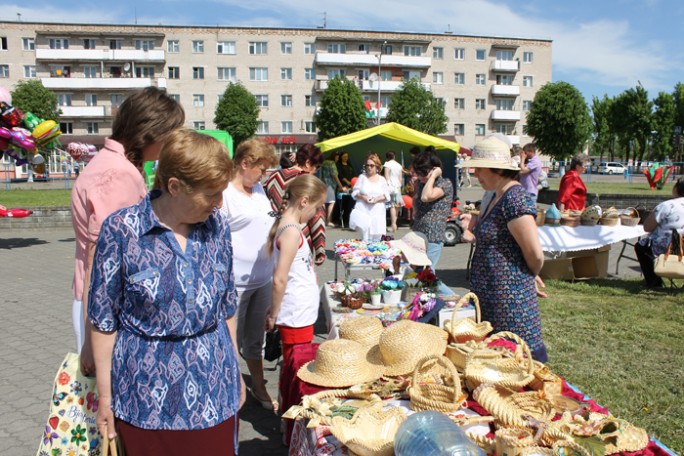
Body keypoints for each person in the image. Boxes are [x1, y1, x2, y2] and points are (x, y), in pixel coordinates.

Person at [89, 129, 244, 455]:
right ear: (174, 187)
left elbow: (226, 306)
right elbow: (103, 321)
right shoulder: (122, 230)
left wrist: (235, 372)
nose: (219, 204)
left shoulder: (216, 226)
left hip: (213, 389)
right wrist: (106, 398)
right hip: (146, 399)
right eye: (211, 194)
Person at [71, 86, 184, 374]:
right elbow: (102, 259)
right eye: (169, 134)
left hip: (104, 311)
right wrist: (91, 340)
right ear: (151, 131)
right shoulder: (119, 174)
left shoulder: (114, 164)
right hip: (107, 314)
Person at [459, 136, 548, 362]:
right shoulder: (497, 196)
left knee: (515, 363)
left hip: (509, 302)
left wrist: (528, 276)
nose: (474, 174)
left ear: (496, 169)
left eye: (478, 169)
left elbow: (535, 254)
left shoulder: (514, 199)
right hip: (494, 297)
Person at [221, 137, 279, 411]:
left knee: (256, 339)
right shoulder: (225, 194)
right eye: (261, 169)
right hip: (236, 284)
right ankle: (229, 391)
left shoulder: (257, 189)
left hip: (263, 279)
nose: (264, 175)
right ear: (245, 163)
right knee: (229, 342)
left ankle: (258, 385)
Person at [264, 174, 327, 408]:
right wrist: (273, 314)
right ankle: (291, 416)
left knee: (293, 367)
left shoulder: (290, 227)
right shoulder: (290, 232)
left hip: (299, 313)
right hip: (295, 315)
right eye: (316, 207)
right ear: (303, 201)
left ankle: (288, 413)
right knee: (296, 370)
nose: (316, 213)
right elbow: (279, 279)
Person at [265, 144, 326, 264]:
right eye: (316, 167)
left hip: (273, 237)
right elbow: (317, 216)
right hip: (299, 240)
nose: (315, 171)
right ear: (308, 163)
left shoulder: (274, 177)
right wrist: (320, 249)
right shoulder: (308, 183)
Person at [634, 177, 684, 288]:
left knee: (641, 246)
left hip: (666, 248)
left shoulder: (667, 206)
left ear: (675, 189)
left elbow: (647, 227)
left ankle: (654, 282)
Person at [410, 148, 453, 274]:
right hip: (419, 232)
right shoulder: (422, 184)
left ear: (435, 169)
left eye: (424, 172)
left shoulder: (445, 184)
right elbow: (416, 200)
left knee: (426, 273)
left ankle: (448, 294)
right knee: (418, 272)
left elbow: (425, 197)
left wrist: (433, 176)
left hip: (433, 235)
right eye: (418, 173)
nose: (420, 176)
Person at [349, 153, 390, 241]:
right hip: (364, 211)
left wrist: (376, 199)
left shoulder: (382, 180)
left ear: (377, 167)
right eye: (367, 165)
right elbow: (354, 193)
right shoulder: (362, 177)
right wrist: (363, 197)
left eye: (372, 165)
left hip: (378, 212)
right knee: (365, 238)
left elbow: (387, 196)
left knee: (376, 239)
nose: (369, 167)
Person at [320, 151, 347, 226]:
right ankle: (328, 221)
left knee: (324, 203)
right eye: (337, 157)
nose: (337, 159)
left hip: (322, 184)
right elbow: (335, 175)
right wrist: (341, 186)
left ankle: (323, 220)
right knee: (331, 202)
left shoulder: (324, 162)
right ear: (334, 156)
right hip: (330, 185)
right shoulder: (332, 163)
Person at [384, 150, 405, 232]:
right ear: (394, 156)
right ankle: (394, 223)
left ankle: (393, 224)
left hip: (390, 187)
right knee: (397, 206)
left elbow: (386, 176)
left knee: (392, 206)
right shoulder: (399, 165)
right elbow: (400, 178)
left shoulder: (387, 164)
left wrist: (387, 186)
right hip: (397, 187)